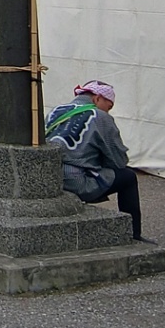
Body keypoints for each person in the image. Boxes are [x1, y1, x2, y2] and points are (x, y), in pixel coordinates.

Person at [45, 79, 145, 242]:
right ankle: (133, 235)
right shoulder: (100, 117)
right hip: (75, 182)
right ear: (97, 98)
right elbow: (118, 160)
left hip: (48, 177)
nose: (108, 111)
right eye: (109, 106)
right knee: (128, 177)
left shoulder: (56, 111)